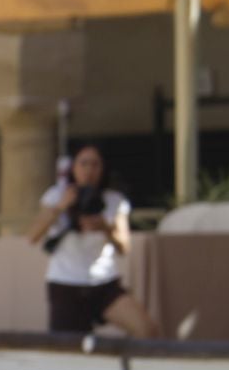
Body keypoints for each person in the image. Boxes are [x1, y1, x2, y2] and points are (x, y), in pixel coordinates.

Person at [26, 144, 157, 338]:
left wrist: (105, 227)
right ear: (73, 168)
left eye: (95, 164)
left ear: (103, 169)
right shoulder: (56, 196)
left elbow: (124, 247)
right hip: (66, 283)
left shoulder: (114, 200)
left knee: (146, 330)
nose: (89, 170)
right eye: (84, 163)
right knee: (68, 349)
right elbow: (33, 236)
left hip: (103, 282)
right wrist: (62, 206)